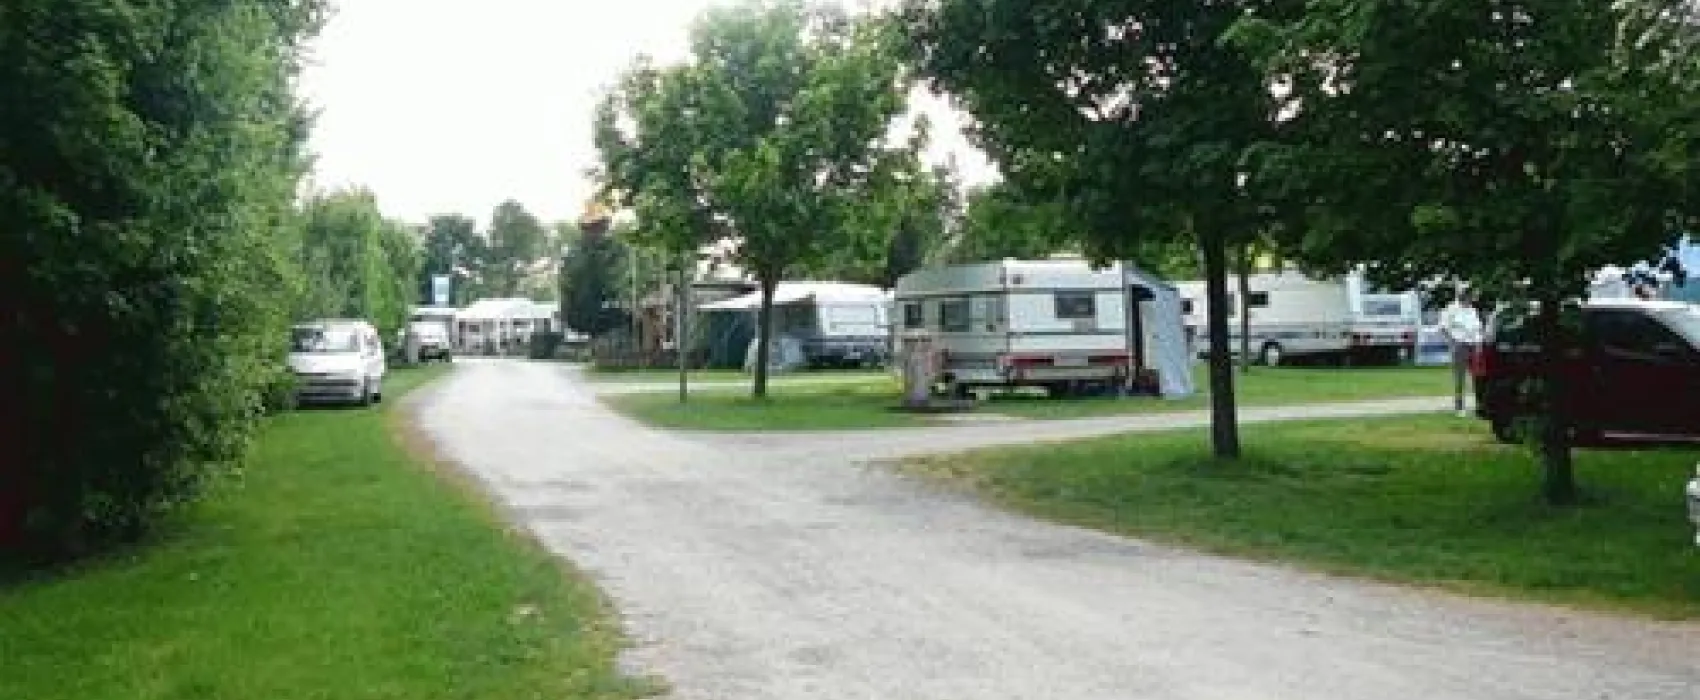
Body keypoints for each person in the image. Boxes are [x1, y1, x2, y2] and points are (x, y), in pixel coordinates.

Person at [1438, 289, 1485, 418]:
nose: (1472, 300)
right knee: (1460, 377)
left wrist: (1479, 343)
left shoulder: (1472, 310)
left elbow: (1478, 328)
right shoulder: (1451, 309)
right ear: (1464, 296)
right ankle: (1459, 407)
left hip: (1474, 345)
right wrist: (1453, 342)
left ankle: (1479, 406)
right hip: (1460, 344)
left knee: (1477, 376)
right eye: (1470, 297)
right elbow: (1443, 327)